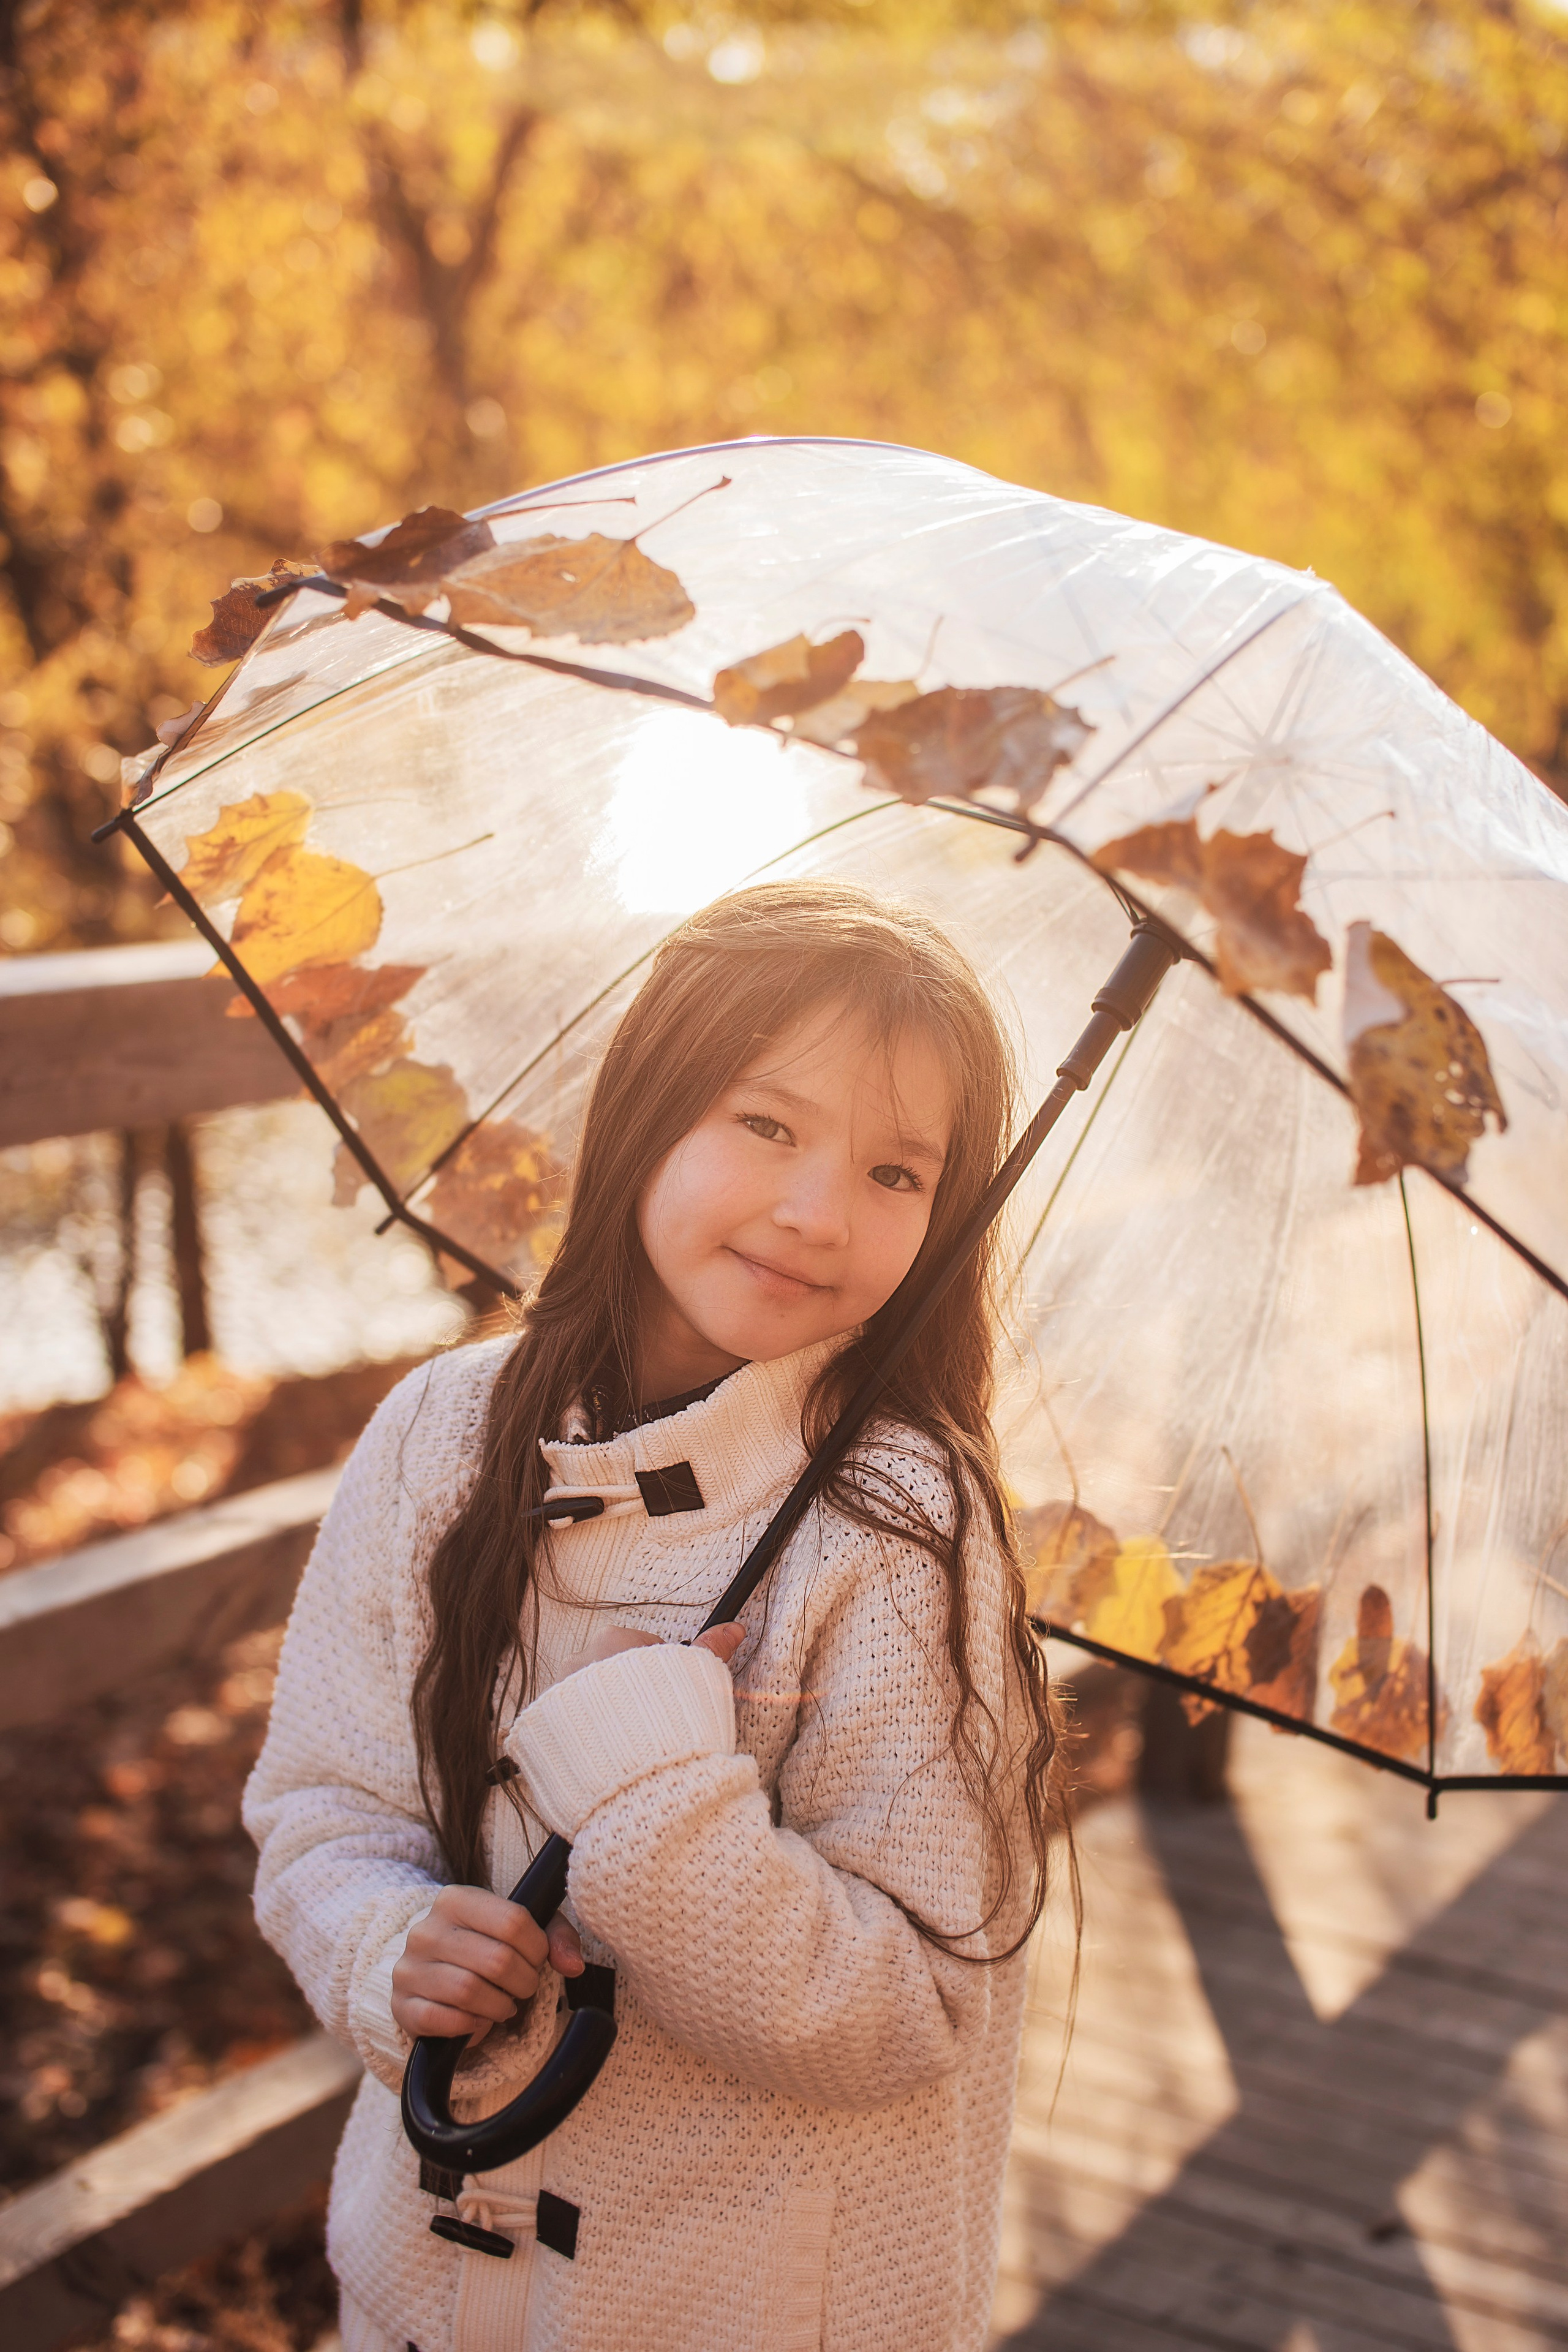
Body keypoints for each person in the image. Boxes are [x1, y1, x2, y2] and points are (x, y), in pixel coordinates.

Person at [244, 878, 1068, 2352]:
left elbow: (916, 2006)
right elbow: (323, 1806)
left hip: (735, 2309)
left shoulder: (899, 1532)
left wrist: (654, 1805)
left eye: (897, 1174)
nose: (816, 1212)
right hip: (420, 2298)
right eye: (766, 1124)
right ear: (644, 1108)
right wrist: (387, 1948)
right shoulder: (440, 1436)